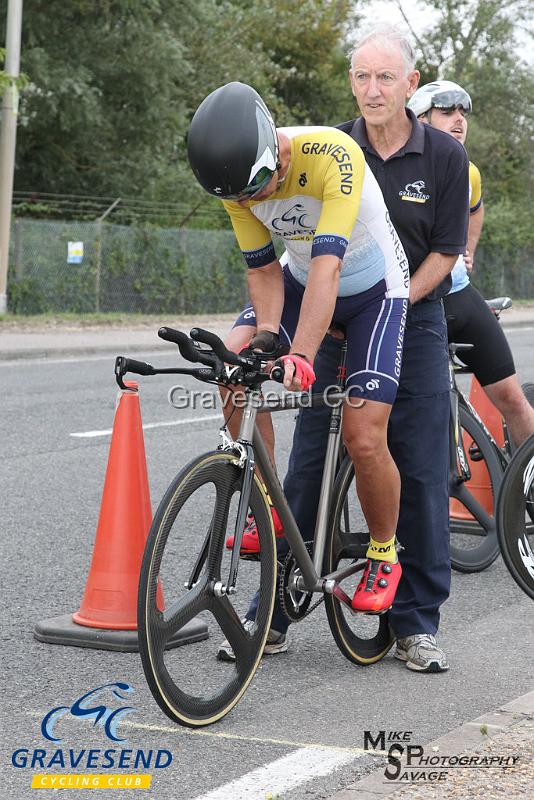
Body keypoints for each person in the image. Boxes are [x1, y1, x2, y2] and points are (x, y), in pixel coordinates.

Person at [225, 26, 470, 672]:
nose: (371, 90)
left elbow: (446, 252)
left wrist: (400, 307)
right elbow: (297, 256)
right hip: (329, 314)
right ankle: (271, 613)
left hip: (407, 317)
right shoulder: (332, 146)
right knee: (306, 467)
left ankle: (416, 624)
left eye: (385, 78)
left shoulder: (441, 155)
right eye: (361, 77)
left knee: (414, 465)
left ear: (411, 85)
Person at [187, 80, 411, 628]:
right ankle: (266, 504)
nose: (254, 200)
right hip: (297, 279)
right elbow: (263, 269)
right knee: (233, 361)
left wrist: (303, 352)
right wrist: (267, 335)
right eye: (243, 196)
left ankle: (385, 552)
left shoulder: (334, 155)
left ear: (273, 149)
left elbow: (328, 268)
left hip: (373, 290)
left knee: (363, 433)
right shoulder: (236, 184)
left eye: (261, 186)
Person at [408, 80, 534, 446]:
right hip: (416, 303)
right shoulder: (401, 170)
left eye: (462, 113)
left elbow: (475, 209)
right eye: (447, 112)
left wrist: (469, 249)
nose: (459, 119)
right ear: (421, 119)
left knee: (513, 399)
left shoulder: (469, 171)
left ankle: (526, 487)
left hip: (459, 296)